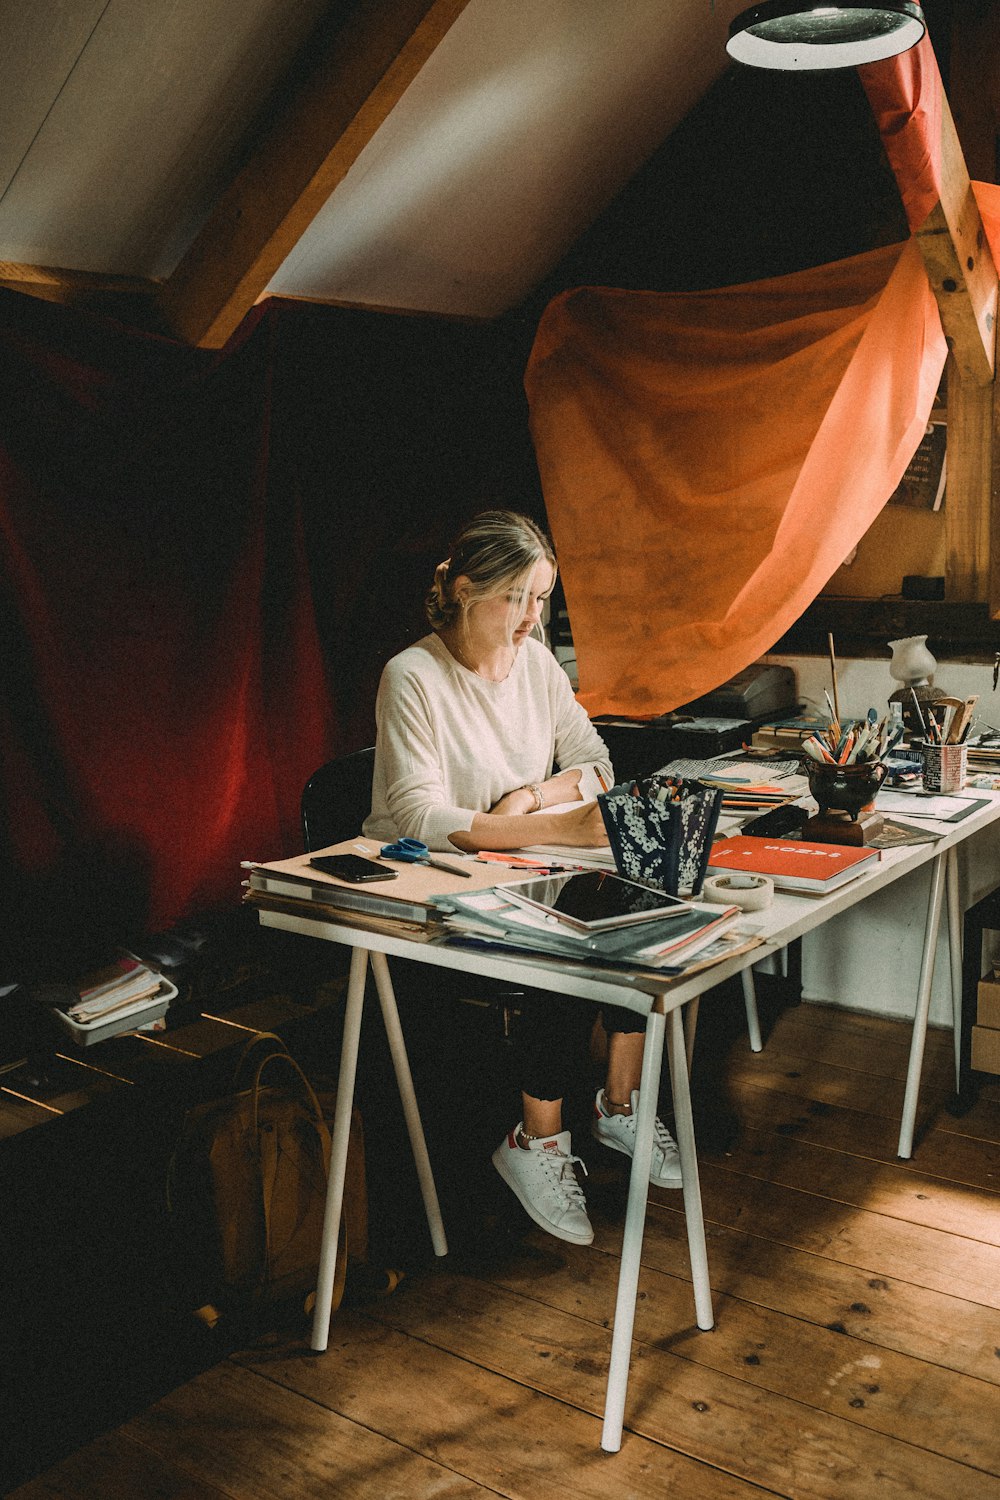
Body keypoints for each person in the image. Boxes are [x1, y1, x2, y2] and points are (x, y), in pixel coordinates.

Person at [363, 509, 681, 1246]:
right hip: (425, 888)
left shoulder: (535, 664)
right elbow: (416, 814)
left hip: (515, 862)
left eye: (542, 599)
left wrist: (532, 798)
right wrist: (555, 825)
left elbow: (595, 761)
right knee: (560, 941)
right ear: (468, 590)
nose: (532, 619)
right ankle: (534, 1141)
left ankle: (619, 1102)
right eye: (518, 598)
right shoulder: (413, 675)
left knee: (640, 903)